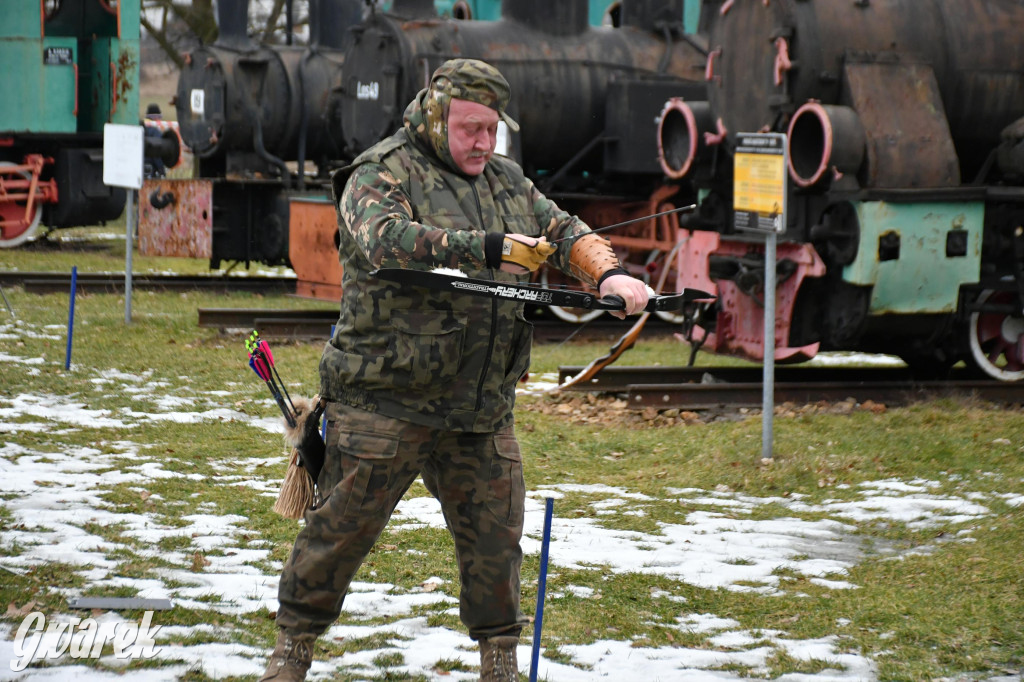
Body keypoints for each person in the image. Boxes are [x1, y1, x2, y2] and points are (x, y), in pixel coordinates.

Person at [260, 58, 649, 682]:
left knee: (497, 545)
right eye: (471, 128)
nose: (484, 142)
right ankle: (292, 650)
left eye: (493, 129)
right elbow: (384, 240)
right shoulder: (380, 171)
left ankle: (499, 660)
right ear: (437, 117)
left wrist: (608, 273)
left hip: (480, 409)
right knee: (337, 535)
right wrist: (490, 248)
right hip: (384, 403)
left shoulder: (507, 181)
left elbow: (561, 228)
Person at [143, 103, 166, 178]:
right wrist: (161, 169)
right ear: (156, 117)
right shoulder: (155, 132)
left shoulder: (141, 128)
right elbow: (157, 151)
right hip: (151, 169)